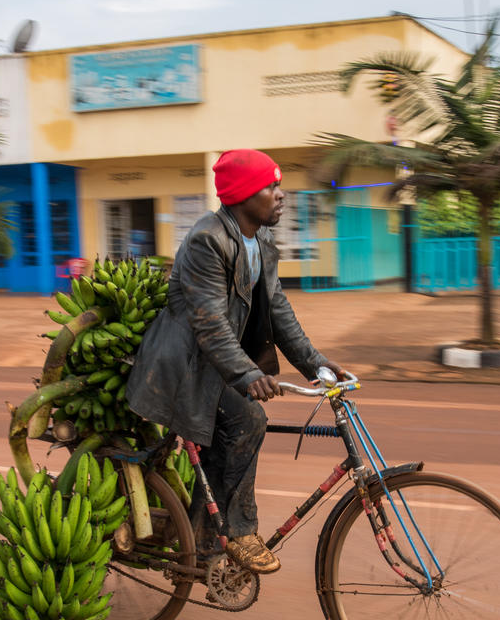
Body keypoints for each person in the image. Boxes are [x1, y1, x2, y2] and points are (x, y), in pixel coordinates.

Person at [126, 149, 347, 574]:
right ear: (244, 195)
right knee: (248, 419)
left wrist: (315, 363)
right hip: (185, 367)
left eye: (279, 186)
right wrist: (247, 373)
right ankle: (238, 532)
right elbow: (209, 322)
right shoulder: (207, 240)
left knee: (234, 431)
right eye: (270, 187)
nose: (280, 195)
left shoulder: (260, 242)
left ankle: (201, 540)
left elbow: (277, 309)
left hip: (216, 364)